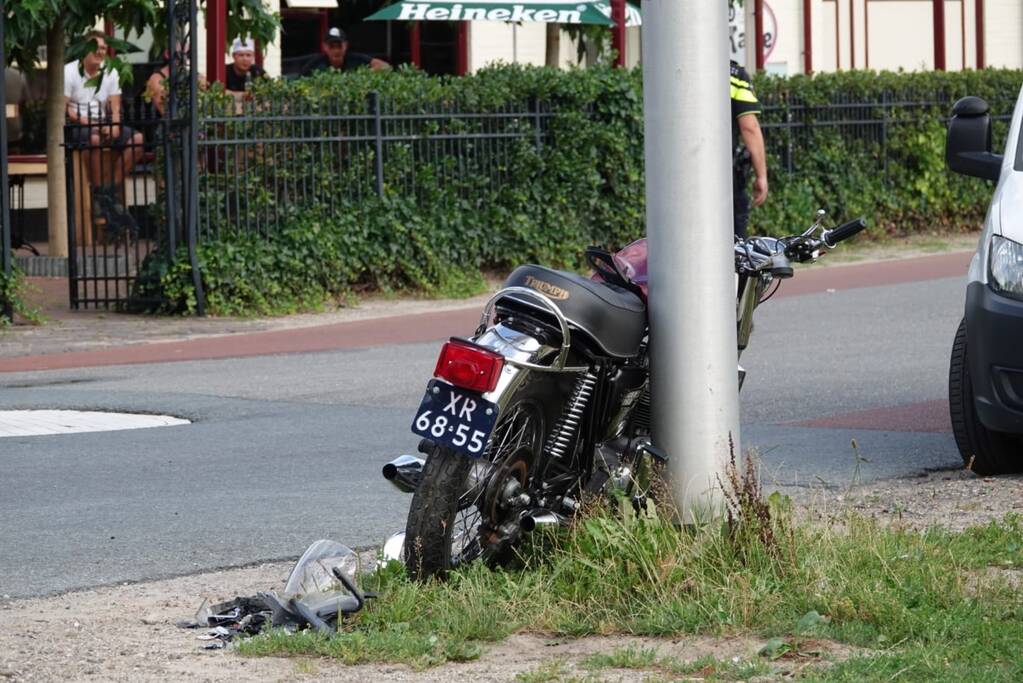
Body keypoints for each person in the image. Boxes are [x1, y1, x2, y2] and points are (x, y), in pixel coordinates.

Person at [64, 30, 144, 233]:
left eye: (103, 48)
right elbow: (64, 109)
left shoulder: (110, 71)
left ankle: (108, 192)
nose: (100, 52)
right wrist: (88, 122)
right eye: (95, 47)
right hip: (78, 125)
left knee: (137, 139)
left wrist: (114, 126)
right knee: (93, 139)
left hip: (102, 123)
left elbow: (115, 107)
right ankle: (99, 192)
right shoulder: (69, 71)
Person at [730, 59, 768, 239]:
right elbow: (749, 127)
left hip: (678, 175)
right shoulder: (735, 76)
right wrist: (761, 176)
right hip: (723, 178)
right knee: (734, 242)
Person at [301, 27, 390, 76]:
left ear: (346, 46)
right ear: (324, 47)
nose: (336, 50)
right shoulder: (316, 63)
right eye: (332, 46)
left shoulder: (355, 58)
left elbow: (385, 66)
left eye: (339, 46)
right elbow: (299, 81)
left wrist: (359, 75)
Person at [4, 67, 28, 152]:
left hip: (12, 127)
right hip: (14, 126)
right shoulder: (19, 74)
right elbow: (24, 101)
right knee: (14, 152)